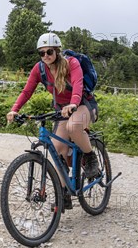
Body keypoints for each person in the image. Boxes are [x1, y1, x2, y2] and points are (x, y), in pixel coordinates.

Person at [6, 32, 99, 210]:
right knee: (57, 150)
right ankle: (63, 193)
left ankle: (90, 157)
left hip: (84, 104)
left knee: (73, 126)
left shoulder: (72, 63)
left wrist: (73, 102)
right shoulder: (39, 69)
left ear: (57, 50)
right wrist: (14, 109)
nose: (46, 56)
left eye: (49, 52)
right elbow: (27, 91)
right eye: (42, 53)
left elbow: (78, 84)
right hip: (62, 110)